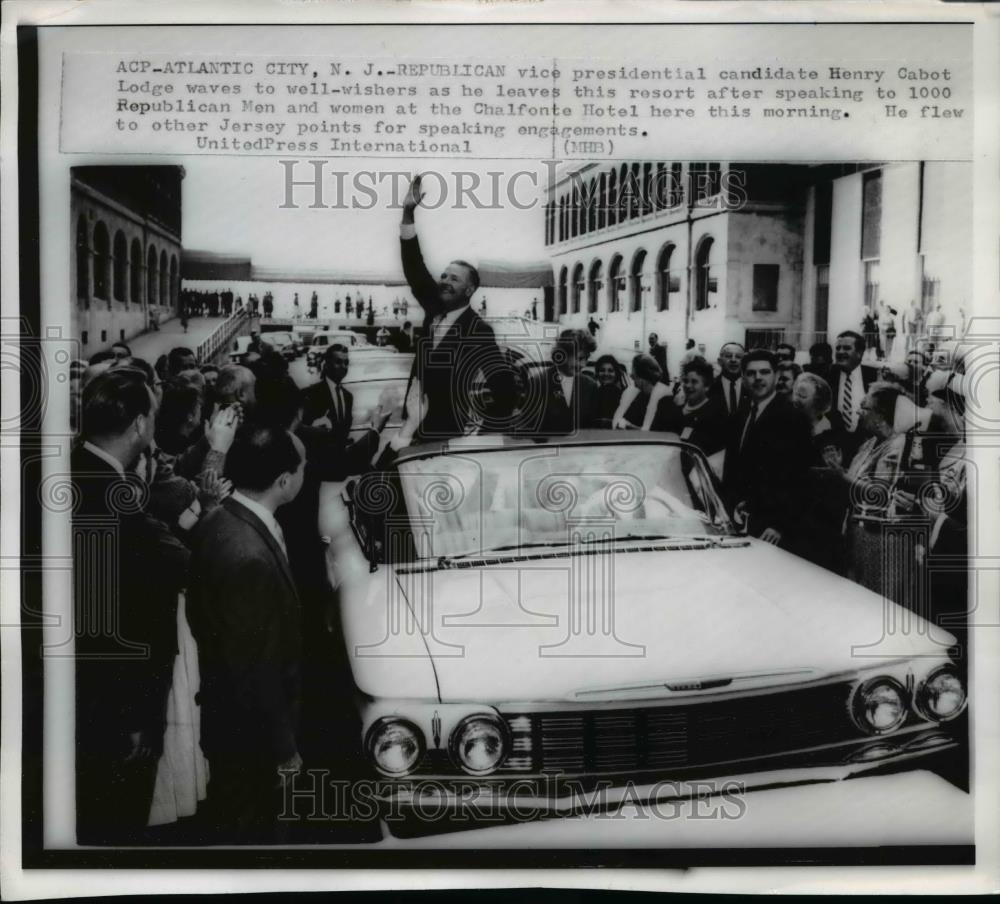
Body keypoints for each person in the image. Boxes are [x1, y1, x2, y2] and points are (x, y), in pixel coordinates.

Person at [72, 368, 188, 843]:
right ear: (140, 424)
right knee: (117, 821)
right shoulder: (114, 500)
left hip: (88, 694)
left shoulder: (78, 469)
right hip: (119, 707)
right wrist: (136, 720)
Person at [187, 423, 306, 843]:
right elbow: (256, 664)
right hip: (251, 733)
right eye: (302, 465)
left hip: (229, 716)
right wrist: (284, 749)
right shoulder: (248, 556)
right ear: (285, 480)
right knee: (261, 829)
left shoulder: (219, 519)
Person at [399, 174, 514, 441]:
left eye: (454, 279)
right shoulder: (434, 307)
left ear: (469, 290)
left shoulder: (479, 330)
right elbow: (414, 267)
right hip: (411, 428)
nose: (444, 282)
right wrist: (407, 214)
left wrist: (482, 434)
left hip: (446, 435)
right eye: (444, 276)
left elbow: (504, 389)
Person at [824, 382, 908, 600]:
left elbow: (880, 495)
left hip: (876, 542)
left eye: (865, 408)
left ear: (881, 415)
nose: (858, 412)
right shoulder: (870, 443)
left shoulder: (896, 446)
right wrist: (838, 469)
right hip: (856, 536)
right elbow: (854, 479)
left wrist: (841, 476)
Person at [721, 349, 812, 547]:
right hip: (739, 524)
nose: (758, 378)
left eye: (764, 372)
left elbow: (799, 479)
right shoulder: (739, 416)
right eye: (751, 373)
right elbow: (731, 469)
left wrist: (779, 525)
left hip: (774, 530)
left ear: (776, 376)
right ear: (743, 378)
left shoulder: (793, 418)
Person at [518, 329, 598, 436]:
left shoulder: (590, 385)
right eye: (579, 358)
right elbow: (528, 427)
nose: (583, 365)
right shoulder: (538, 382)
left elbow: (592, 426)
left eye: (586, 359)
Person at [651, 356, 727, 457]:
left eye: (694, 382)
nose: (688, 385)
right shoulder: (668, 404)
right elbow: (655, 437)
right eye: (686, 381)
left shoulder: (714, 413)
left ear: (707, 387)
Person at [829, 330, 879, 465]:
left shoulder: (874, 376)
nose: (840, 352)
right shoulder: (827, 375)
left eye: (846, 348)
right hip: (834, 450)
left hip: (867, 450)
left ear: (859, 353)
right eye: (838, 348)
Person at [612, 353, 671, 431]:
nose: (631, 375)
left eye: (634, 372)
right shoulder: (637, 395)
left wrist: (629, 426)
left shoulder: (665, 400)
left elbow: (657, 432)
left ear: (643, 376)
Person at [710, 341, 747, 420]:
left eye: (738, 356)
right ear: (720, 361)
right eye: (728, 356)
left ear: (744, 362)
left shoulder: (751, 387)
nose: (733, 360)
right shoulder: (710, 386)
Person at [593, 354, 627, 429]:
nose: (606, 374)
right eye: (602, 370)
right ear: (597, 373)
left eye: (610, 371)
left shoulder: (623, 395)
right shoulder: (593, 393)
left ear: (616, 374)